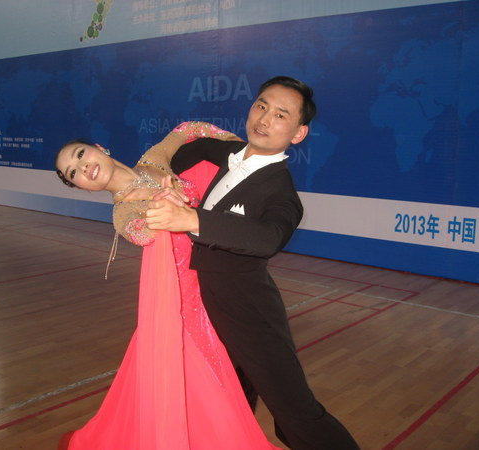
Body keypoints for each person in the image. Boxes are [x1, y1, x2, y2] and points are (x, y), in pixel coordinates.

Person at [146, 76, 360, 450]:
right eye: (261, 105)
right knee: (231, 400)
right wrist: (156, 175)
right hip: (209, 310)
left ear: (298, 133)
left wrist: (191, 219)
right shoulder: (220, 153)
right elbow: (169, 155)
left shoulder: (282, 194)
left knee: (295, 414)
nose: (264, 118)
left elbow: (267, 238)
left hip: (251, 315)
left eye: (281, 114)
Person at [54, 121, 282, 449]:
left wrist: (239, 152)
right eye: (73, 173)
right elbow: (143, 232)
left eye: (80, 155)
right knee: (210, 379)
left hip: (223, 276)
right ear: (81, 187)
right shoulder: (123, 214)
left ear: (100, 149)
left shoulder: (154, 159)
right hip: (187, 306)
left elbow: (189, 128)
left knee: (243, 368)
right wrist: (166, 206)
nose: (83, 167)